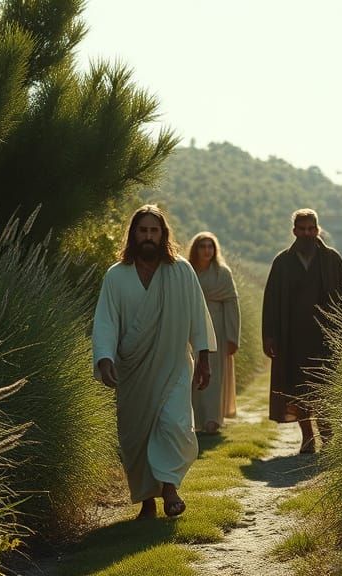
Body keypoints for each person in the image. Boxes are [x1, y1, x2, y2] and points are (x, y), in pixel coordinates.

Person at [92, 204, 216, 520]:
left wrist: (204, 359)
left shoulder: (182, 271)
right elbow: (106, 321)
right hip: (132, 370)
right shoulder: (116, 276)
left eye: (154, 230)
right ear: (134, 234)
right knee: (138, 434)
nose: (148, 236)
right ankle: (148, 501)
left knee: (175, 426)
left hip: (173, 365)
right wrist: (105, 358)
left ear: (163, 235)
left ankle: (170, 488)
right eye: (143, 230)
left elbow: (198, 318)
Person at [262, 208, 342, 454]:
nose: (307, 233)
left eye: (311, 229)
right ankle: (308, 437)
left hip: (325, 336)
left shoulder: (332, 259)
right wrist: (270, 335)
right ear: (294, 231)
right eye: (302, 229)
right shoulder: (282, 262)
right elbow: (270, 301)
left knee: (325, 388)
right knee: (299, 390)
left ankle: (327, 435)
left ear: (317, 229)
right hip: (293, 337)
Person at [188, 232, 240, 434]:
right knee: (191, 370)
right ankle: (193, 418)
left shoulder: (222, 273)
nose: (207, 250)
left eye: (210, 246)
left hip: (217, 327)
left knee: (215, 373)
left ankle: (212, 419)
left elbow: (232, 305)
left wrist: (232, 337)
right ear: (196, 249)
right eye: (203, 246)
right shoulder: (187, 271)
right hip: (192, 326)